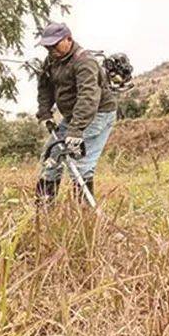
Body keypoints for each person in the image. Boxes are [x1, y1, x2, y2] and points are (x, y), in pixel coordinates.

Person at [34, 22, 117, 205]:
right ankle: (44, 209)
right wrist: (45, 112)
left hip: (98, 114)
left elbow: (88, 97)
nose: (51, 49)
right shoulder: (51, 60)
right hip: (73, 115)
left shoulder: (85, 62)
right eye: (47, 46)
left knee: (78, 161)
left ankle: (85, 213)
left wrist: (76, 131)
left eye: (54, 44)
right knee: (52, 155)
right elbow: (45, 88)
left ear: (68, 39)